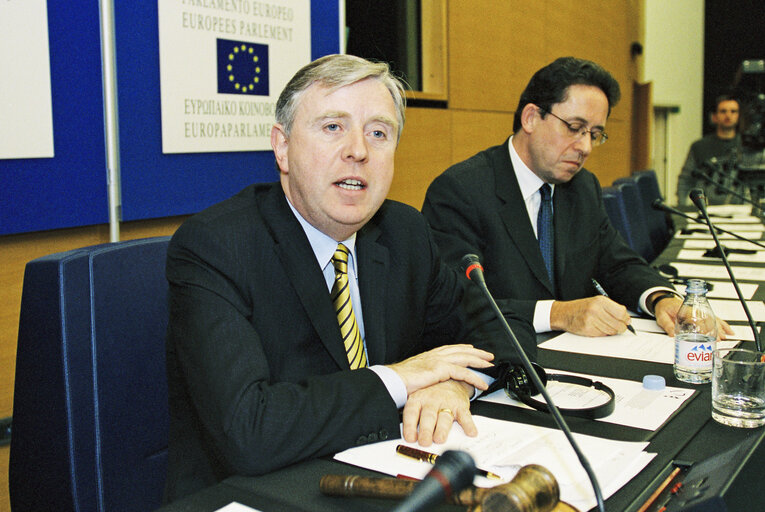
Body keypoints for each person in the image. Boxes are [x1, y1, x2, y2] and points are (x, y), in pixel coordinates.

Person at [163, 54, 536, 502]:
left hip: (376, 477)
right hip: (253, 494)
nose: (358, 150)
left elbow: (508, 326)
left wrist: (452, 382)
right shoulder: (217, 246)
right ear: (282, 147)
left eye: (378, 132)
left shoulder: (404, 233)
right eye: (332, 127)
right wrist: (399, 379)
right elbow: (250, 431)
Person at [422, 57, 733, 340]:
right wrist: (559, 313)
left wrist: (661, 299)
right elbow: (456, 304)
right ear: (531, 118)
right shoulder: (460, 191)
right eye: (575, 128)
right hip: (499, 364)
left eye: (595, 134)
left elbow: (616, 263)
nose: (585, 147)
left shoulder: (582, 187)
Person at [677, 95, 743, 205]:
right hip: (707, 210)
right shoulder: (700, 146)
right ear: (714, 116)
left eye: (733, 111)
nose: (728, 115)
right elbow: (685, 179)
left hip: (742, 212)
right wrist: (683, 206)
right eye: (723, 111)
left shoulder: (746, 146)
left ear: (738, 116)